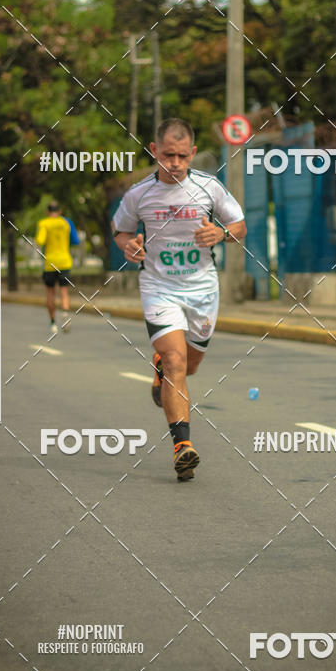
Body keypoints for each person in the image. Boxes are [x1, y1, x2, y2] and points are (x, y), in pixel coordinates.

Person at [112, 118, 247, 481]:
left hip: (202, 289)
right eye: (168, 155)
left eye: (182, 156)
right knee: (176, 361)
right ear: (154, 151)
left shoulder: (209, 187)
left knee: (190, 367)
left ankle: (161, 368)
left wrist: (221, 234)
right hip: (159, 287)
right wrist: (129, 245)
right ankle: (182, 446)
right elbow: (120, 231)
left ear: (192, 153)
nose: (175, 163)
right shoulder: (139, 194)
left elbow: (240, 226)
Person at [36, 201, 80, 334]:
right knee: (64, 292)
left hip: (50, 263)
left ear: (48, 212)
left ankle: (53, 323)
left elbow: (40, 241)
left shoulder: (44, 223)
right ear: (60, 211)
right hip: (64, 262)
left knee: (50, 292)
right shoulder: (66, 222)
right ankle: (65, 313)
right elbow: (75, 240)